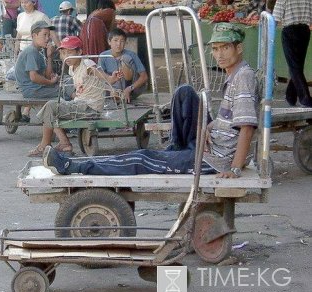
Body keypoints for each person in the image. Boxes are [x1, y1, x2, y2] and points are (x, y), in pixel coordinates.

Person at [43, 23, 259, 179]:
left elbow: (247, 127)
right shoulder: (235, 75)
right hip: (209, 146)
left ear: (238, 48)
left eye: (225, 48)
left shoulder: (244, 77)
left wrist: (235, 169)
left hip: (214, 160)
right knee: (185, 92)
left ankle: (72, 166)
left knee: (141, 159)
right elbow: (228, 119)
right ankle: (176, 148)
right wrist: (208, 128)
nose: (219, 54)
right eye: (215, 49)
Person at [28, 36, 121, 157]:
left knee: (51, 106)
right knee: (52, 107)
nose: (66, 56)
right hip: (81, 104)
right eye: (63, 52)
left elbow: (103, 77)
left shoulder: (87, 64)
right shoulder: (72, 68)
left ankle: (47, 145)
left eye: (70, 52)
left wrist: (112, 78)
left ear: (79, 52)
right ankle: (63, 143)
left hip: (89, 107)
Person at [14, 21, 61, 122]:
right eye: (44, 35)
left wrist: (49, 56)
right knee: (64, 92)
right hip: (32, 90)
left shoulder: (38, 52)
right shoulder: (31, 52)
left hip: (36, 88)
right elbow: (34, 77)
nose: (47, 38)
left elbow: (47, 75)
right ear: (34, 35)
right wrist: (51, 82)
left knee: (66, 83)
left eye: (48, 35)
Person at [273, 0, 312, 107]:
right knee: (298, 66)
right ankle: (290, 96)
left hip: (290, 31)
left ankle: (305, 99)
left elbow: (275, 18)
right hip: (305, 31)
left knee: (294, 66)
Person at [99, 28, 148, 103]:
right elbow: (99, 78)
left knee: (126, 58)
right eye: (115, 40)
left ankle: (126, 94)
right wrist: (110, 89)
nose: (118, 44)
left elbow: (144, 77)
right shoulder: (103, 56)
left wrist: (129, 89)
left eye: (122, 41)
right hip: (112, 92)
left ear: (125, 43)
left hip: (131, 90)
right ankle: (117, 96)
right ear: (109, 42)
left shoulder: (132, 55)